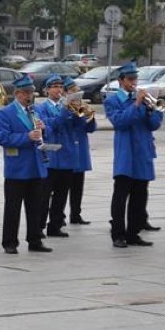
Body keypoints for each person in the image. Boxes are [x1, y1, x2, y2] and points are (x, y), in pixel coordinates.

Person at [105, 63, 162, 249]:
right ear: (121, 81)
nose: (133, 82)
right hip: (126, 153)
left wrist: (152, 109)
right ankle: (118, 234)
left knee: (140, 196)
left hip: (143, 152)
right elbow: (120, 122)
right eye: (130, 79)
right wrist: (136, 104)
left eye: (135, 79)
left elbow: (153, 125)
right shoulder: (112, 101)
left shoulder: (144, 100)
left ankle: (133, 233)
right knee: (121, 196)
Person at [0, 75, 52, 254]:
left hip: (36, 166)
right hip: (17, 168)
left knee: (35, 207)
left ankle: (35, 240)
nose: (30, 96)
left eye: (32, 93)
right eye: (27, 93)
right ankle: (10, 242)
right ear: (17, 93)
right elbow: (3, 138)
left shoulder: (36, 110)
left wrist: (44, 129)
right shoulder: (6, 112)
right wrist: (26, 137)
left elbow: (46, 132)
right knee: (13, 208)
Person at [36, 74, 79, 238]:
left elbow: (81, 126)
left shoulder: (67, 106)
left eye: (61, 87)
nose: (58, 90)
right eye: (54, 87)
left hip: (67, 156)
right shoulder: (41, 108)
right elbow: (49, 126)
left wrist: (80, 112)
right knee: (44, 196)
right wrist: (64, 110)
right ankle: (38, 227)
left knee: (61, 196)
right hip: (51, 158)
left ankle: (55, 226)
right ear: (47, 90)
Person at [65, 76, 96, 225]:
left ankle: (76, 214)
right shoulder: (64, 109)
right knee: (62, 189)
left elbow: (90, 129)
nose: (76, 94)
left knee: (78, 186)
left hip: (81, 152)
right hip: (67, 152)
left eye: (77, 91)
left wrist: (91, 117)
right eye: (73, 91)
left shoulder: (80, 107)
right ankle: (59, 217)